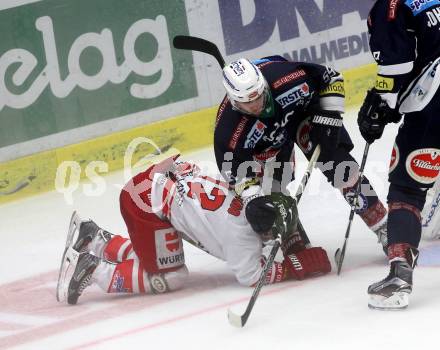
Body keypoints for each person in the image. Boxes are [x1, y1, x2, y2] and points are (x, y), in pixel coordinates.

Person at [56, 155, 331, 305]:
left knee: (161, 256)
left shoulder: (250, 194)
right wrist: (297, 264)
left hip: (154, 185)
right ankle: (91, 267)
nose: (275, 240)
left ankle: (93, 237)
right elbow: (251, 275)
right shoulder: (242, 237)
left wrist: (292, 240)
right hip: (146, 205)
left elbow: (275, 215)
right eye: (275, 235)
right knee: (171, 275)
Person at [214, 56, 389, 252]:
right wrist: (252, 198)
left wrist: (329, 114)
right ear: (234, 101)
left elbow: (331, 79)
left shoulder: (285, 77)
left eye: (259, 95)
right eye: (248, 102)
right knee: (271, 192)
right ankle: (291, 240)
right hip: (265, 147)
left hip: (301, 114)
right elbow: (234, 169)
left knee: (341, 167)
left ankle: (385, 229)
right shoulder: (228, 127)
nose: (256, 104)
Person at [357, 0, 440, 309]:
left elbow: (395, 66)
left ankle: (399, 276)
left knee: (407, 186)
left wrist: (379, 107)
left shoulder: (390, 6)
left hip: (434, 104)